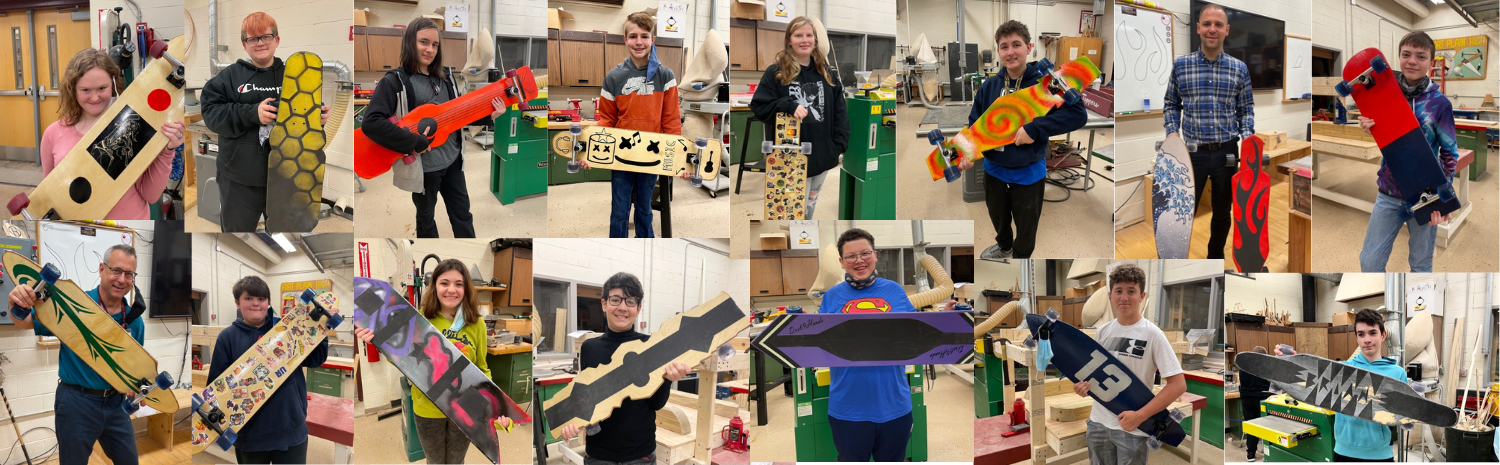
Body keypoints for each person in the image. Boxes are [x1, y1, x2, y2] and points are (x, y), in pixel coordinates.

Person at [361, 17, 505, 239]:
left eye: (435, 45)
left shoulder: (446, 77)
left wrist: (489, 116)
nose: (430, 49)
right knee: (426, 220)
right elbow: (372, 122)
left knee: (463, 215)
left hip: (454, 161)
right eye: (424, 42)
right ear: (410, 42)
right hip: (425, 170)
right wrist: (414, 141)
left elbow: (457, 117)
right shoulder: (395, 81)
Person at [355, 259, 510, 463]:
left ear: (466, 289)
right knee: (435, 462)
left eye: (459, 284)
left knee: (456, 462)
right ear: (434, 286)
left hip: (464, 407)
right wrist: (379, 343)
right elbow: (403, 361)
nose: (451, 290)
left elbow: (482, 368)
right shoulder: (418, 319)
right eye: (444, 283)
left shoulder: (477, 325)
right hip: (427, 407)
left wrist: (496, 407)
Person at [959, 21, 1086, 260]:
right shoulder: (989, 86)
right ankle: (1004, 245)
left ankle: (1021, 258)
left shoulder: (1048, 84)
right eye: (1004, 46)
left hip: (1028, 172)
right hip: (994, 170)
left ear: (1028, 47)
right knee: (998, 217)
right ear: (998, 51)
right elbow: (975, 125)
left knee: (1027, 228)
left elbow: (1078, 114)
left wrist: (1036, 127)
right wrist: (967, 152)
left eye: (1016, 44)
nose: (1010, 52)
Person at [8, 245, 145, 465]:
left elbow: (134, 364)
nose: (122, 279)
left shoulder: (134, 318)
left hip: (116, 404)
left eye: (129, 274)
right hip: (76, 402)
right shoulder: (75, 303)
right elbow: (23, 322)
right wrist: (16, 302)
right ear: (102, 269)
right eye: (116, 271)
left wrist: (135, 387)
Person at [201, 12, 331, 232]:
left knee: (287, 236)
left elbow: (304, 122)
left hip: (287, 177)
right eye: (252, 38)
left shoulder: (295, 76)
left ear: (276, 40)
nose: (260, 43)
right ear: (244, 44)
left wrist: (317, 120)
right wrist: (252, 113)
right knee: (237, 237)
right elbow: (212, 114)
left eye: (266, 37)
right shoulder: (227, 78)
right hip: (239, 180)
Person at [554, 272, 690, 465]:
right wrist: (573, 422)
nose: (623, 307)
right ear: (604, 304)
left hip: (640, 454)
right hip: (599, 455)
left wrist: (668, 379)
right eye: (616, 300)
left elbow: (656, 404)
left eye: (631, 302)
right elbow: (586, 398)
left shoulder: (650, 346)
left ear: (638, 308)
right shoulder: (589, 348)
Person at [576, 12, 689, 238]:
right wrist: (590, 152)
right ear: (625, 39)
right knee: (619, 210)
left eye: (645, 36)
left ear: (653, 39)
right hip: (621, 156)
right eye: (633, 36)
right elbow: (606, 120)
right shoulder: (614, 77)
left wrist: (681, 159)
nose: (639, 42)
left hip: (652, 156)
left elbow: (671, 122)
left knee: (644, 208)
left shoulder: (665, 76)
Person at [39, 49, 183, 220]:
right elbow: (51, 197)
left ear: (114, 85)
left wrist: (166, 151)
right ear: (73, 90)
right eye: (85, 90)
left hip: (130, 227)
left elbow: (151, 195)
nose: (94, 98)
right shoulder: (53, 134)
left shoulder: (132, 125)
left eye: (102, 88)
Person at [1357, 31, 1458, 272]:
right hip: (1389, 191)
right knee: (1369, 262)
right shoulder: (1382, 95)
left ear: (1430, 63)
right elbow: (1386, 138)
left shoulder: (1440, 103)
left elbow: (1449, 154)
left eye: (1421, 56)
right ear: (1399, 57)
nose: (1412, 61)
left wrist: (1443, 201)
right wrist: (1367, 127)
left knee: (1421, 264)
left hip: (1426, 194)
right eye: (1406, 54)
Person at [816, 228, 919, 460]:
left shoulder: (895, 291)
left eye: (865, 253)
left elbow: (917, 335)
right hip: (847, 410)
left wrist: (950, 319)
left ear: (875, 255)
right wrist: (799, 324)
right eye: (851, 256)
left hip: (895, 407)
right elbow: (819, 344)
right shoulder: (831, 298)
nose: (859, 261)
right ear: (842, 262)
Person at [207, 276, 333, 464]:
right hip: (250, 435)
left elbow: (315, 360)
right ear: (237, 303)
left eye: (261, 299)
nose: (256, 304)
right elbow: (216, 386)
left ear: (268, 302)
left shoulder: (286, 329)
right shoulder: (227, 337)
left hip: (291, 426)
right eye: (249, 298)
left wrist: (321, 330)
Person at [1163, 4, 1254, 260]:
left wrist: (1248, 140)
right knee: (1181, 213)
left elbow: (1245, 110)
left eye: (1217, 25)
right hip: (1191, 154)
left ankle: (1214, 258)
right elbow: (1171, 104)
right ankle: (1176, 260)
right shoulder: (1181, 65)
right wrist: (1172, 133)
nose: (1211, 29)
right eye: (1206, 24)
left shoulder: (1239, 69)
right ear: (1198, 28)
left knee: (1223, 212)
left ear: (1227, 30)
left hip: (1227, 152)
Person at [1079, 263, 1186, 465]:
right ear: (1111, 295)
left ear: (1142, 296)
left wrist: (1140, 416)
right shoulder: (1103, 331)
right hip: (1098, 423)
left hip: (1133, 428)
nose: (1124, 297)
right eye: (1118, 291)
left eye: (1131, 291)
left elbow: (1178, 385)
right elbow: (1094, 373)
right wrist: (1084, 386)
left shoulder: (1153, 335)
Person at [749, 15, 849, 220]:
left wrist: (838, 145)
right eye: (798, 35)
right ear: (789, 40)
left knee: (809, 207)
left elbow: (840, 112)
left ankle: (802, 240)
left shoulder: (827, 74)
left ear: (815, 40)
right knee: (790, 211)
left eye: (809, 35)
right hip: (789, 157)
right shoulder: (775, 72)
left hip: (822, 154)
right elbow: (759, 106)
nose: (804, 40)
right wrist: (788, 104)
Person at [1238, 346, 1273, 462]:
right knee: (1269, 425)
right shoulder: (1268, 367)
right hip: (1263, 399)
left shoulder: (1243, 366)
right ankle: (1271, 452)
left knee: (1252, 425)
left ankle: (1251, 452)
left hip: (1247, 399)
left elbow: (1241, 382)